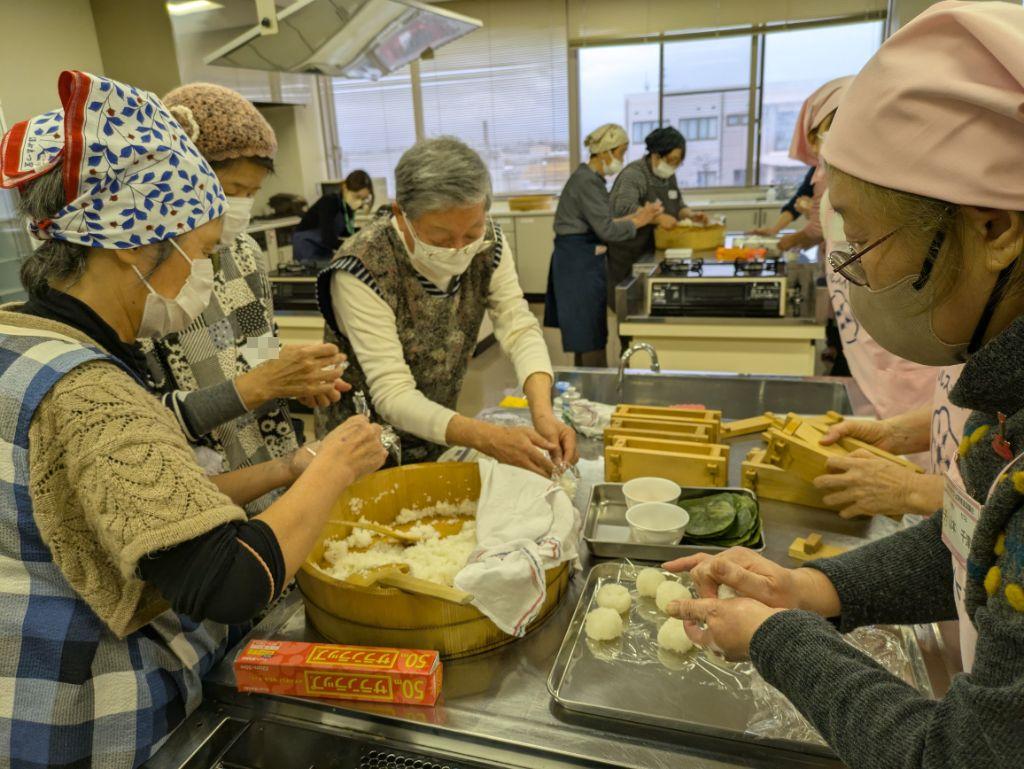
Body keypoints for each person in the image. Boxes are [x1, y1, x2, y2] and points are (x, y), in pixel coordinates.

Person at [664, 4, 1024, 766]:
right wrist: (812, 589)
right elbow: (971, 541)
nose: (850, 272)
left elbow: (958, 756)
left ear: (996, 230)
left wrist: (774, 635)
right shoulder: (1000, 397)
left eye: (862, 241)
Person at [0, 71, 387, 768]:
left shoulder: (21, 341)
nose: (201, 277)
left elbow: (124, 508)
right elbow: (225, 580)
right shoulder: (91, 390)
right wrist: (334, 465)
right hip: (89, 719)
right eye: (200, 253)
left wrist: (287, 469)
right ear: (132, 242)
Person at [139, 82, 347, 513]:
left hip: (267, 462)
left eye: (250, 195)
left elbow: (256, 344)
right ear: (180, 176)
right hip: (198, 491)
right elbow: (145, 414)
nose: (239, 208)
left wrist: (292, 380)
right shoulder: (138, 273)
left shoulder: (244, 256)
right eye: (230, 190)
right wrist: (261, 384)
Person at [316, 136, 576, 475]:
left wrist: (543, 413)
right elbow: (392, 392)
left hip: (437, 433)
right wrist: (487, 437)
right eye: (439, 238)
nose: (458, 248)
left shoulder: (489, 244)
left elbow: (518, 325)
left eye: (471, 233)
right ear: (401, 214)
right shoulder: (362, 267)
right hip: (359, 451)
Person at [544, 123, 662, 367]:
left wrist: (637, 217)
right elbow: (607, 229)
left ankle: (587, 385)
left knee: (588, 329)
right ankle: (595, 390)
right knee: (588, 332)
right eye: (620, 152)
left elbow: (603, 221)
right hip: (578, 265)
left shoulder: (590, 180)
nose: (622, 158)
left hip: (582, 262)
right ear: (605, 152)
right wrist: (639, 221)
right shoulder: (586, 182)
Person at [606, 126, 708, 310]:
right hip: (629, 254)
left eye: (678, 162)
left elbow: (677, 205)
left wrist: (690, 214)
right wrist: (657, 218)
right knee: (630, 308)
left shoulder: (668, 176)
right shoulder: (634, 175)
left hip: (654, 252)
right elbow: (621, 209)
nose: (674, 166)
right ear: (656, 155)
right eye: (671, 160)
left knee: (654, 307)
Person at [292, 169, 374, 262]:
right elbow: (328, 239)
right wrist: (354, 248)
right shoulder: (329, 202)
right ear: (345, 188)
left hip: (323, 247)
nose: (360, 203)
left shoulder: (347, 206)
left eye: (363, 199)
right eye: (357, 197)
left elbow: (343, 231)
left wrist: (363, 230)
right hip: (307, 246)